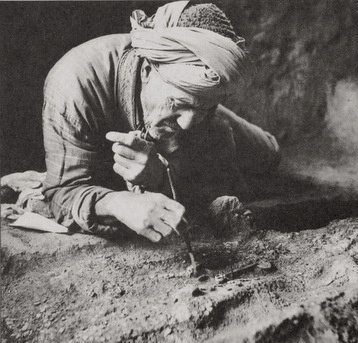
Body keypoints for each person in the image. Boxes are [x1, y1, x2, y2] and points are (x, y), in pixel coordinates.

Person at [42, 0, 280, 242]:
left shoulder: (191, 114)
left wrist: (157, 176)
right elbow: (61, 192)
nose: (187, 124)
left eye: (205, 105)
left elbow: (216, 177)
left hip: (193, 127)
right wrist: (116, 202)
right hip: (96, 150)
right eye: (178, 103)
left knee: (268, 154)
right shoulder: (74, 87)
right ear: (146, 71)